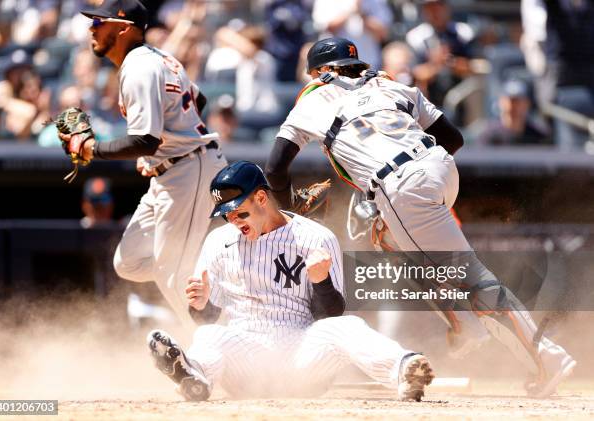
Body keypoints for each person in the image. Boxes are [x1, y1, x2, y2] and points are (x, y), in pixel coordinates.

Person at [264, 37, 576, 398]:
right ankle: (463, 321)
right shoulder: (393, 84)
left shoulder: (314, 96)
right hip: (440, 169)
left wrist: (289, 209)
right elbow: (452, 137)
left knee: (472, 277)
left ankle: (546, 357)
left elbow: (274, 168)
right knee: (383, 234)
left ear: (320, 71)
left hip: (400, 185)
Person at [147, 161, 435, 401]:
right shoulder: (218, 242)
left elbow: (330, 315)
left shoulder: (315, 238)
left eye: (239, 212)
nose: (233, 220)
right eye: (226, 215)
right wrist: (200, 304)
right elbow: (207, 318)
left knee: (345, 326)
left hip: (301, 356)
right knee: (208, 335)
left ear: (261, 198)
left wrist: (321, 281)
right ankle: (194, 379)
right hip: (246, 358)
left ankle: (403, 370)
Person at [61, 0, 227, 324]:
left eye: (99, 23)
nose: (91, 29)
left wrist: (94, 149)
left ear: (123, 28)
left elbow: (144, 140)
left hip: (188, 170)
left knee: (171, 274)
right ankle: (213, 278)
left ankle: (218, 348)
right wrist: (162, 148)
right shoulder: (160, 57)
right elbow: (198, 99)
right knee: (129, 262)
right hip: (174, 168)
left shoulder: (139, 67)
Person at [477, 79, 550, 146]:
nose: (512, 106)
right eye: (509, 100)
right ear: (500, 102)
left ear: (527, 104)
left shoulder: (539, 137)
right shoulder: (488, 136)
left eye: (517, 101)